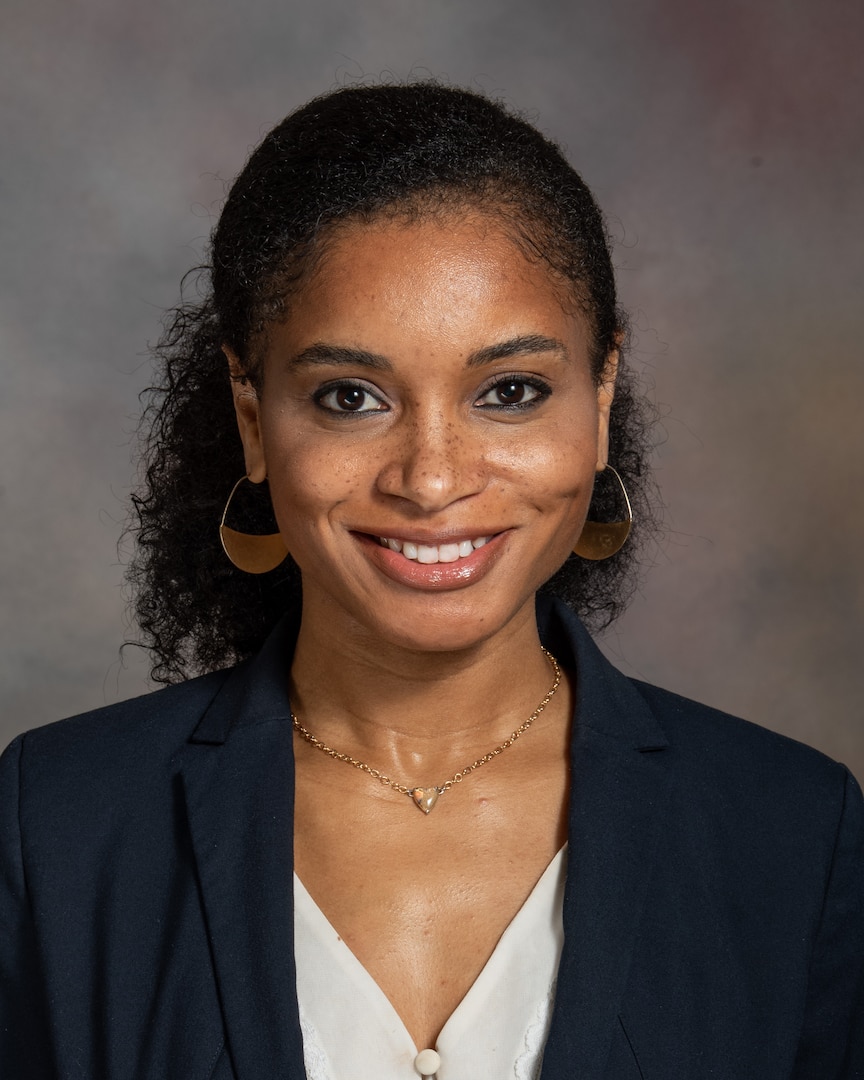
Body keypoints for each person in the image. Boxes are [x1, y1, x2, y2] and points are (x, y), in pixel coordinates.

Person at [1, 82, 862, 1080]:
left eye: (510, 392)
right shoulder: (56, 828)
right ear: (252, 414)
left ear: (601, 391)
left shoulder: (792, 831)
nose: (435, 478)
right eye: (350, 397)